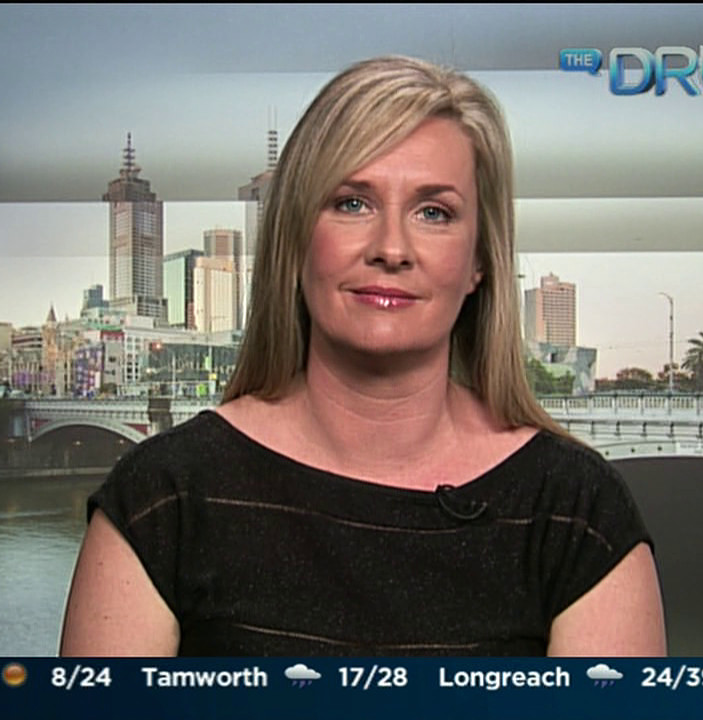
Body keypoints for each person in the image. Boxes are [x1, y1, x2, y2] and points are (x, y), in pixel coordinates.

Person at [60, 56, 666, 656]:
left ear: (479, 261)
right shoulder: (163, 498)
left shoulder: (577, 511)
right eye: (353, 203)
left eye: (434, 212)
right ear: (296, 239)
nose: (391, 248)